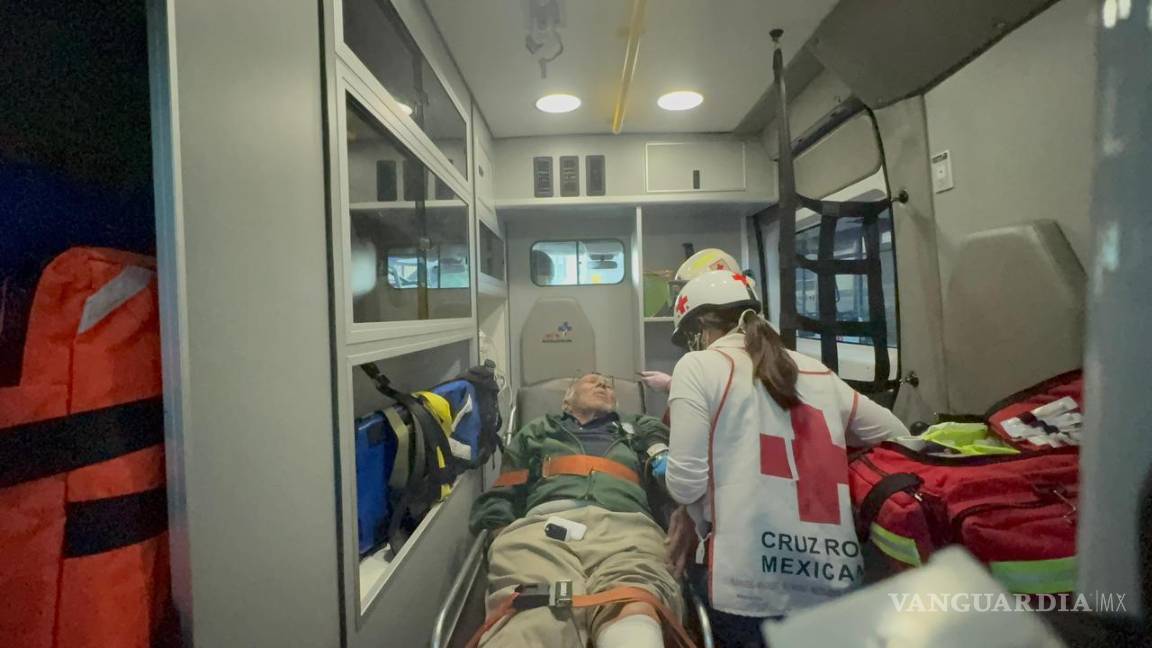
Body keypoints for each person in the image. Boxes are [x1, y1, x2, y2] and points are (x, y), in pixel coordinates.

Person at [661, 270, 908, 647]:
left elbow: (685, 485)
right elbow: (897, 436)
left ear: (699, 330)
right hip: (833, 578)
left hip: (747, 584)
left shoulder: (698, 367)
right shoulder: (816, 371)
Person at [469, 373, 685, 648]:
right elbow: (504, 491)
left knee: (634, 603)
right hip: (544, 530)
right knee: (534, 613)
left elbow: (660, 441)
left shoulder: (636, 427)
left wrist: (656, 447)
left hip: (626, 528)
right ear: (567, 401)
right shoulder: (537, 431)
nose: (603, 384)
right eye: (592, 381)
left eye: (608, 385)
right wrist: (501, 533)